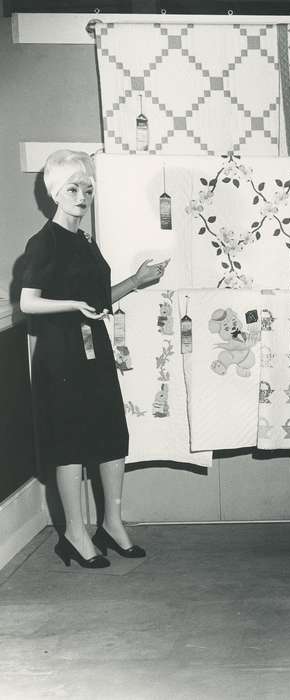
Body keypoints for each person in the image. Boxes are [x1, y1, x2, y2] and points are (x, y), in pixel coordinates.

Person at [19, 150, 167, 567]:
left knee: (110, 434)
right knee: (69, 442)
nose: (82, 197)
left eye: (87, 189)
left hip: (93, 347)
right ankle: (74, 532)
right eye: (73, 189)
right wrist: (71, 305)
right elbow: (28, 303)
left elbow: (97, 302)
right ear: (55, 193)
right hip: (60, 354)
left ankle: (112, 524)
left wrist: (136, 281)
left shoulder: (85, 241)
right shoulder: (44, 242)